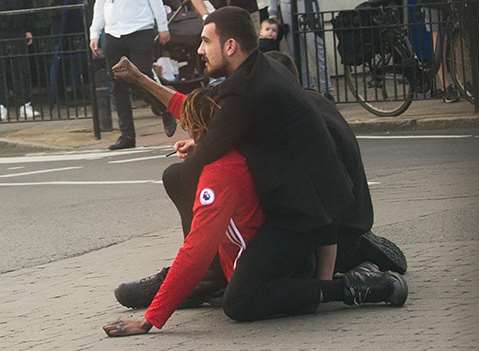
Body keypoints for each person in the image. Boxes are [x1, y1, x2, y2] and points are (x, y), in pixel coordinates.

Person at [102, 7, 408, 336]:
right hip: (323, 214)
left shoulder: (242, 99)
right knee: (244, 283)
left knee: (241, 301)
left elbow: (204, 147)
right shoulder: (261, 73)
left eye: (206, 41)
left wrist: (150, 319)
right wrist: (143, 81)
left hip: (298, 222)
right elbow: (205, 112)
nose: (200, 50)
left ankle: (352, 287)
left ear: (231, 46)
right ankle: (314, 276)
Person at [89, 0, 177, 150]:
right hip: (113, 32)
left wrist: (163, 27)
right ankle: (127, 135)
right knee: (118, 84)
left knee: (143, 77)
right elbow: (99, 6)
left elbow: (155, 2)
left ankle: (164, 109)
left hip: (141, 28)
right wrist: (94, 34)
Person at [0, 0, 40, 121]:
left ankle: (25, 104)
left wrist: (27, 28)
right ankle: (2, 105)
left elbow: (27, 4)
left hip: (17, 27)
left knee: (21, 69)